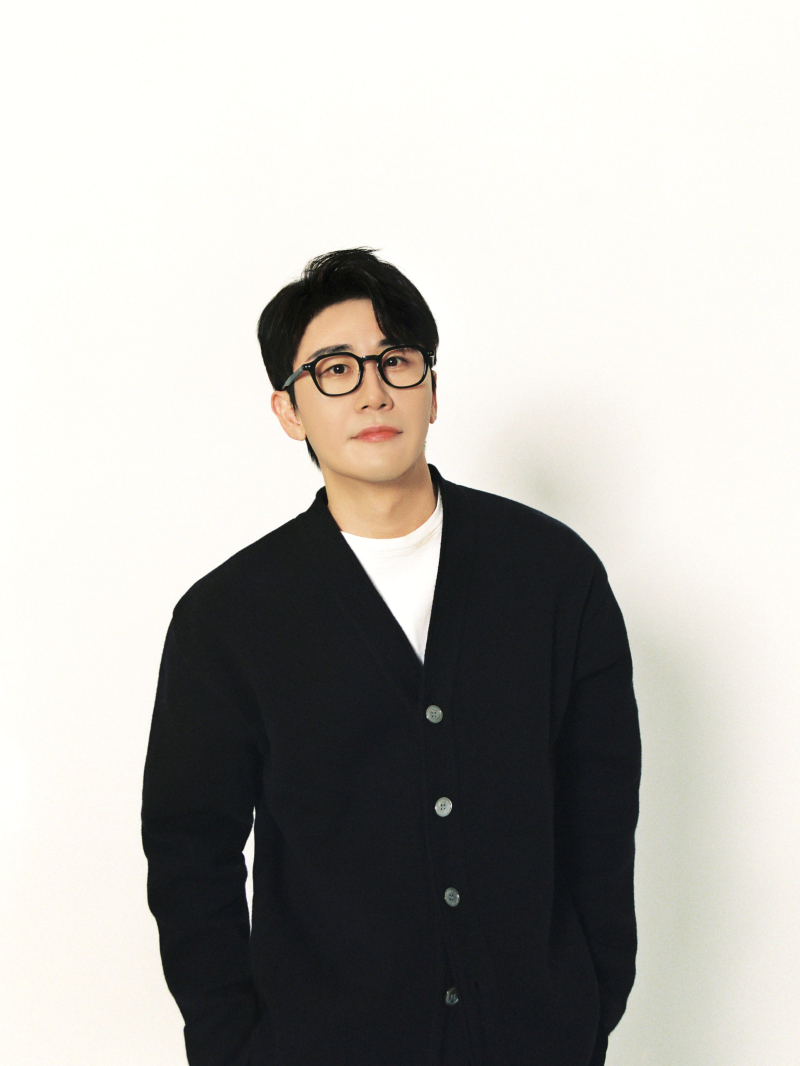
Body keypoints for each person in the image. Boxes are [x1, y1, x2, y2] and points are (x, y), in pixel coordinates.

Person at [141, 248, 642, 1066]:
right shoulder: (227, 620)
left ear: (432, 391)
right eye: (335, 370)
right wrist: (234, 1045)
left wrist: (587, 1002)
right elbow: (190, 853)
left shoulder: (554, 577)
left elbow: (601, 812)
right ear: (289, 410)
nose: (373, 391)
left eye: (396, 361)